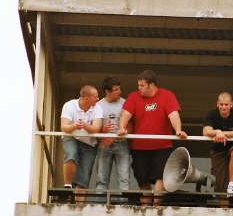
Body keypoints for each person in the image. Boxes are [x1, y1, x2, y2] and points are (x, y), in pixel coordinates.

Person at [117, 70, 187, 206]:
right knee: (142, 179)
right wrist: (122, 127)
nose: (139, 88)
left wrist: (178, 130)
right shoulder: (133, 97)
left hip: (162, 147)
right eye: (139, 85)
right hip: (139, 147)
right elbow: (125, 114)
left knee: (161, 176)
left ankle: (156, 207)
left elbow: (173, 114)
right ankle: (146, 208)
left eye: (142, 85)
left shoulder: (167, 95)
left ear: (152, 85)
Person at [203, 92, 233, 208]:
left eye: (226, 104)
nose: (223, 107)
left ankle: (232, 183)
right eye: (221, 104)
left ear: (231, 104)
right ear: (217, 104)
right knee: (221, 183)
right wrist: (217, 132)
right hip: (218, 150)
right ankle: (224, 210)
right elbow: (206, 131)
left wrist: (223, 134)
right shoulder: (211, 114)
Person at [60, 85, 103, 197]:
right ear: (86, 98)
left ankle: (79, 205)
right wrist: (75, 126)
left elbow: (96, 129)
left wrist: (85, 125)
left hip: (89, 142)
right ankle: (67, 186)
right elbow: (64, 127)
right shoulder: (69, 105)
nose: (98, 99)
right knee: (71, 153)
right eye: (95, 97)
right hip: (72, 136)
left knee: (84, 174)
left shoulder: (98, 108)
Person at [96, 77, 131, 193]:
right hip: (104, 143)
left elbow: (132, 125)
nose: (120, 92)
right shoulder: (98, 105)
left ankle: (123, 203)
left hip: (122, 143)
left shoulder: (125, 103)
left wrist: (124, 131)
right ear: (107, 91)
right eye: (116, 90)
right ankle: (99, 203)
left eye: (119, 89)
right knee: (101, 180)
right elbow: (93, 127)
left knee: (124, 179)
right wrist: (103, 132)